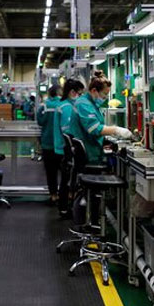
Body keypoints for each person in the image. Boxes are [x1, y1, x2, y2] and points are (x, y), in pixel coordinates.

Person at [68, 71, 133, 166]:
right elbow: (94, 129)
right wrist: (116, 130)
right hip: (88, 155)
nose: (105, 98)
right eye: (104, 94)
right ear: (94, 91)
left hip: (93, 150)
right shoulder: (83, 104)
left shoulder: (91, 104)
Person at [53, 79, 85, 217]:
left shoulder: (66, 104)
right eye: (80, 93)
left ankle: (65, 207)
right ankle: (64, 209)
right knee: (67, 180)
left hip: (63, 147)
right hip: (65, 148)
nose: (81, 96)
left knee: (66, 179)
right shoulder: (67, 107)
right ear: (72, 92)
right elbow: (68, 131)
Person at [37, 85, 62, 204]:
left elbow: (40, 121)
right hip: (61, 144)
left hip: (47, 143)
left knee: (50, 171)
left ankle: (53, 195)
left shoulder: (44, 105)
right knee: (64, 171)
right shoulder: (63, 104)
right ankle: (66, 195)